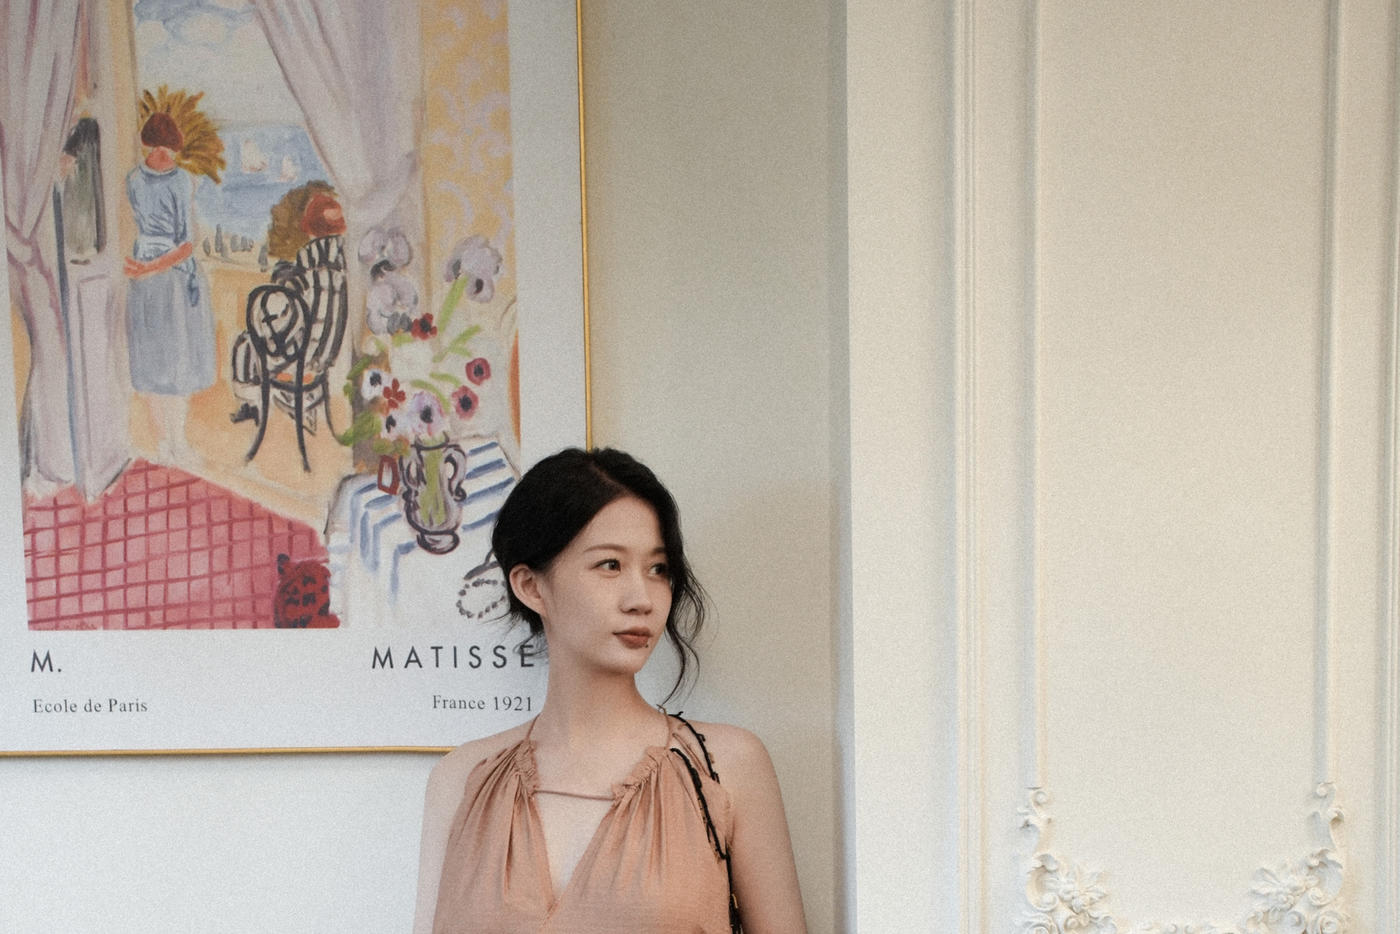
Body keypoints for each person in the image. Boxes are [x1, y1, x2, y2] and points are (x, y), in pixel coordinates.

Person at [413, 448, 807, 933]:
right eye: (610, 565)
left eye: (658, 569)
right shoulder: (461, 779)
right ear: (531, 587)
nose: (642, 599)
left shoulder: (727, 767)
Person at [124, 109, 217, 464]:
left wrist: (145, 267)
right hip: (167, 280)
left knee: (162, 364)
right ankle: (171, 443)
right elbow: (186, 245)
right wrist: (148, 268)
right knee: (168, 365)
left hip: (152, 277)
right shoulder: (176, 180)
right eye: (164, 149)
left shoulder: (138, 179)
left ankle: (172, 443)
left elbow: (181, 244)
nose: (166, 156)